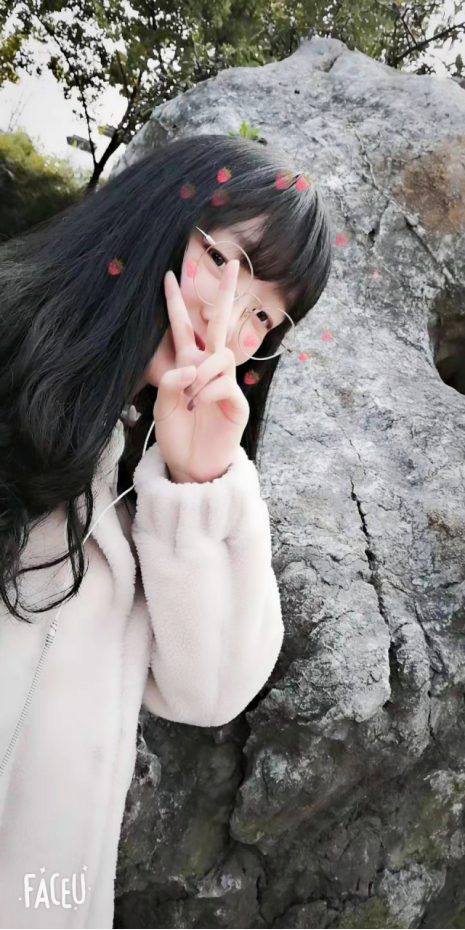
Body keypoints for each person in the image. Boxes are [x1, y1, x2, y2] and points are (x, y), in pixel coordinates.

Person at [0, 133, 333, 928]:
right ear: (153, 218)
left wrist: (200, 485)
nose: (227, 316)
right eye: (221, 259)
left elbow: (208, 692)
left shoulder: (148, 478)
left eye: (263, 315)